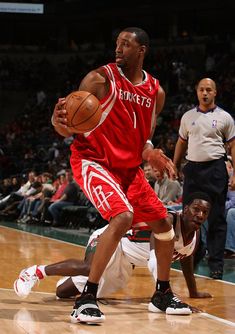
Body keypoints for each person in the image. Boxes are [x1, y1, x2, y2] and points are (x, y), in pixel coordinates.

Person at [51, 27, 187, 324]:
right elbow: (67, 123)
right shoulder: (99, 79)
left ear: (142, 50)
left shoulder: (156, 91)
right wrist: (57, 121)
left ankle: (162, 292)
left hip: (128, 169)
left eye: (126, 44)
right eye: (117, 43)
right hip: (93, 160)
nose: (118, 48)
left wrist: (150, 152)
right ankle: (87, 296)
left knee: (164, 225)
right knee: (122, 216)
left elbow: (144, 138)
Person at [14, 192, 212, 312]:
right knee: (89, 266)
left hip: (126, 261)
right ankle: (35, 272)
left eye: (204, 212)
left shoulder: (193, 238)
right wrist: (166, 295)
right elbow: (155, 260)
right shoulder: (167, 222)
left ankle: (67, 281)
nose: (200, 215)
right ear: (185, 209)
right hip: (113, 239)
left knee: (62, 293)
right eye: (196, 209)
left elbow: (187, 261)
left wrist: (193, 292)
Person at [173, 78, 235, 280]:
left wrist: (234, 173)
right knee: (187, 217)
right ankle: (191, 256)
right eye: (201, 89)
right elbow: (181, 143)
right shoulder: (187, 116)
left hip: (215, 168)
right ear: (196, 92)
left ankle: (216, 264)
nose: (205, 93)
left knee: (216, 217)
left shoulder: (225, 117)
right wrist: (174, 164)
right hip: (193, 168)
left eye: (209, 89)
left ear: (215, 92)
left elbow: (233, 147)